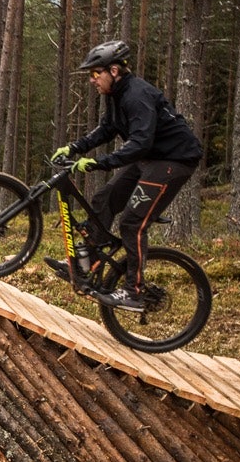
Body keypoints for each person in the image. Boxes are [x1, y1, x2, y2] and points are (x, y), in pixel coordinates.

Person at [48, 40, 203, 312]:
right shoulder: (117, 96)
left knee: (132, 223)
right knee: (104, 199)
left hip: (173, 161)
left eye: (96, 74)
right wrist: (75, 147)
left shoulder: (137, 95)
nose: (92, 80)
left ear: (115, 70)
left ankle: (135, 292)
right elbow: (107, 129)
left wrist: (98, 163)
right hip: (151, 159)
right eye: (90, 75)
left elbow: (141, 142)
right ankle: (89, 263)